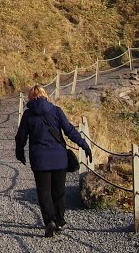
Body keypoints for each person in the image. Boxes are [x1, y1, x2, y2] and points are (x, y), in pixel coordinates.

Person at [15, 85, 92, 237]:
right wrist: (85, 146)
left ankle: (49, 221)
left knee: (44, 193)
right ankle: (59, 220)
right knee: (59, 191)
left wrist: (20, 152)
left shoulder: (28, 115)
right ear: (45, 95)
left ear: (30, 98)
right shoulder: (56, 111)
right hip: (59, 158)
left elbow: (21, 136)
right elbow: (70, 131)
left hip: (39, 159)